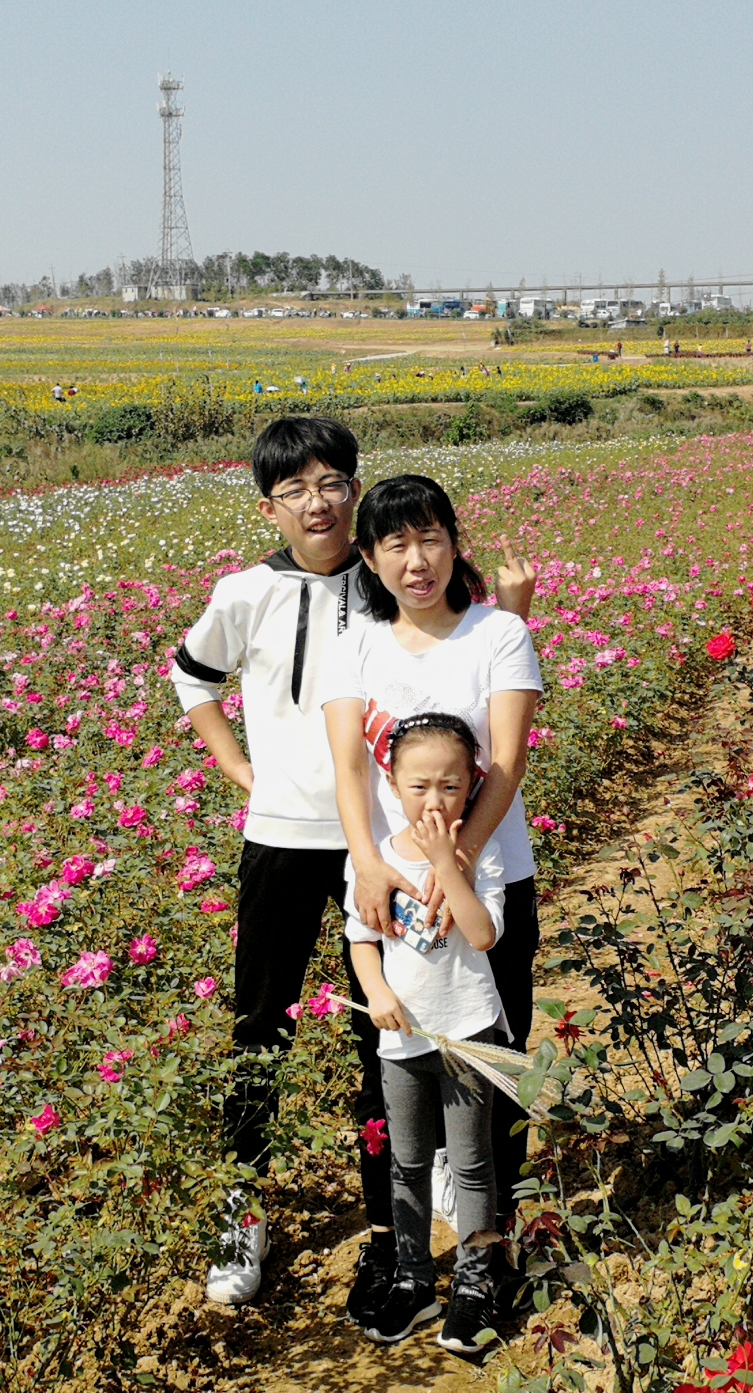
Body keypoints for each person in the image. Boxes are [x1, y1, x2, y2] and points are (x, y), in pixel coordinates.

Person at [172, 419, 536, 1310]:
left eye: (333, 483)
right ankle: (242, 1209)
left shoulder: (391, 599)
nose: (318, 502)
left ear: (358, 499)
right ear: (272, 505)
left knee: (398, 1036)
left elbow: (472, 678)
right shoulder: (249, 590)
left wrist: (514, 611)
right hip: (292, 841)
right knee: (261, 1025)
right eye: (296, 489)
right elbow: (191, 676)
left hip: (394, 849)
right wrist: (239, 770)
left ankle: (417, 1225)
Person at [322, 474, 545, 1305]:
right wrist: (370, 865)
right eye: (394, 545)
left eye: (430, 539)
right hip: (390, 894)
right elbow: (348, 769)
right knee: (403, 1064)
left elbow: (509, 763)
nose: (416, 562)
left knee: (491, 1062)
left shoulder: (498, 634)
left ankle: (492, 1255)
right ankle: (407, 1257)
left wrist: (460, 865)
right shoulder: (358, 647)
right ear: (372, 560)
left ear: (455, 541)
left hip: (489, 881)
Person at [343, 713, 510, 1352]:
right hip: (403, 1044)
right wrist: (377, 992)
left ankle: (473, 1287)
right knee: (407, 1165)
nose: (435, 800)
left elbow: (482, 933)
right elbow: (362, 941)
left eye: (450, 785)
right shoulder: (374, 862)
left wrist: (450, 861)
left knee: (471, 1166)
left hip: (469, 1032)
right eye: (419, 786)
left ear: (473, 784)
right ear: (391, 784)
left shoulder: (482, 851)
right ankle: (414, 1282)